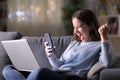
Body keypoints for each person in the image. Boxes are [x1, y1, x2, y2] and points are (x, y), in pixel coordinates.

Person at [2, 9, 115, 80]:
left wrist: (104, 37)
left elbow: (107, 62)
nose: (75, 31)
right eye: (74, 27)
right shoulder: (74, 43)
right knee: (8, 69)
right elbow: (59, 66)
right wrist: (50, 55)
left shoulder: (100, 45)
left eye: (79, 26)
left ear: (90, 26)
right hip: (57, 74)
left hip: (71, 78)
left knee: (39, 71)